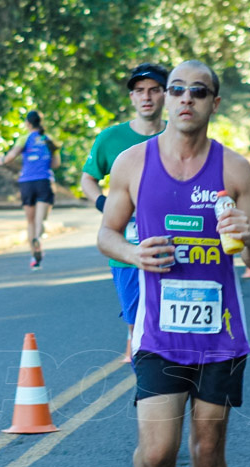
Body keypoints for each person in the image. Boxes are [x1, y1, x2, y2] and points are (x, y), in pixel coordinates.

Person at [97, 60, 250, 467]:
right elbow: (106, 233)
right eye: (177, 90)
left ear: (214, 102)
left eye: (199, 91)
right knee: (158, 454)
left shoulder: (235, 171)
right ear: (166, 100)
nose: (185, 99)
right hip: (159, 332)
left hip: (220, 334)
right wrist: (132, 252)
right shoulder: (131, 163)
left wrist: (249, 236)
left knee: (209, 448)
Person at [81, 63, 169, 362]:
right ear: (132, 98)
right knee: (136, 323)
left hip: (174, 241)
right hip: (127, 244)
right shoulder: (111, 139)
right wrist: (104, 205)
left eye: (154, 90)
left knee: (167, 321)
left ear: (166, 96)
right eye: (140, 91)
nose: (147, 97)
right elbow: (88, 178)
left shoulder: (180, 135)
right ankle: (136, 344)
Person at [0, 110, 61, 270]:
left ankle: (34, 256)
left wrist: (1, 160)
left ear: (28, 123)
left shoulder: (24, 138)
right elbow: (55, 164)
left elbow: (10, 157)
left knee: (30, 222)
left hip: (27, 183)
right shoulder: (48, 140)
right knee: (41, 220)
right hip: (44, 181)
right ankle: (38, 239)